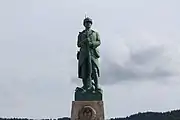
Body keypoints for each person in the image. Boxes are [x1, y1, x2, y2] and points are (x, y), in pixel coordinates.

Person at [77, 17, 101, 92]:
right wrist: (84, 41)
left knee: (94, 70)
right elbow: (78, 44)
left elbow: (98, 42)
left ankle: (96, 86)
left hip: (92, 53)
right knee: (84, 70)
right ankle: (85, 86)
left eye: (89, 23)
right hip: (84, 54)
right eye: (86, 23)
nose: (88, 24)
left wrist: (91, 43)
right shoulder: (81, 34)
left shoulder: (95, 33)